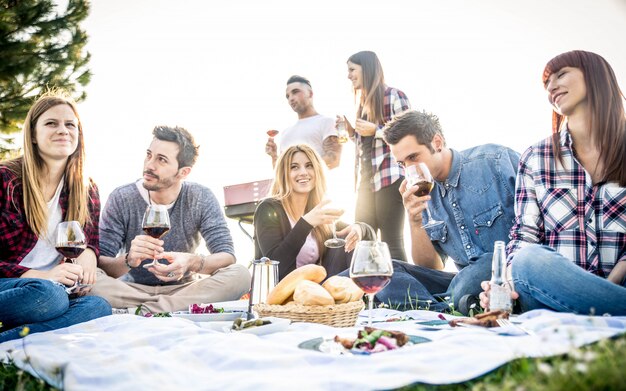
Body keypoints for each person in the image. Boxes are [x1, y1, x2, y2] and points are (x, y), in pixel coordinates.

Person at [480, 50, 626, 315]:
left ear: (595, 76)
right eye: (547, 82)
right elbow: (525, 234)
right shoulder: (536, 157)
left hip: (622, 282)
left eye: (561, 74)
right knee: (528, 260)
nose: (551, 87)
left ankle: (604, 313)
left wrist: (605, 288)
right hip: (554, 294)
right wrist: (504, 283)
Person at [90, 126, 250, 314]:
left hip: (184, 290)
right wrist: (128, 260)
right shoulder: (122, 197)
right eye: (149, 155)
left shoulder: (200, 197)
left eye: (161, 160)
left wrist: (192, 262)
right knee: (90, 279)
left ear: (183, 172)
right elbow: (101, 263)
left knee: (241, 275)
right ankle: (164, 308)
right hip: (131, 290)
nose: (149, 165)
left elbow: (227, 255)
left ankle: (145, 310)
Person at [380, 110, 520, 313]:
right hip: (462, 284)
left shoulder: (496, 162)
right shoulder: (423, 192)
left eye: (413, 157)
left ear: (437, 142)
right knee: (387, 271)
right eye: (402, 164)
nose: (409, 170)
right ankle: (450, 307)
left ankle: (436, 308)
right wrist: (415, 221)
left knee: (489, 262)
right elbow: (432, 268)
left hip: (506, 275)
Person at [0, 92, 111, 342]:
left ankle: (7, 339)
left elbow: (90, 241)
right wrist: (41, 277)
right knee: (49, 296)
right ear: (33, 135)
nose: (63, 130)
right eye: (51, 123)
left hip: (49, 292)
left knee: (98, 307)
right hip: (22, 288)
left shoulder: (86, 189)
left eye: (70, 124)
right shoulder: (5, 179)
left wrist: (88, 256)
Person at [254, 144, 373, 280]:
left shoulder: (318, 213)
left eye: (309, 165)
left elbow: (369, 244)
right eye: (294, 167)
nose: (303, 172)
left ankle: (376, 292)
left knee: (348, 243)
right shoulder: (269, 209)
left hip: (319, 290)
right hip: (285, 294)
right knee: (390, 269)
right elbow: (274, 267)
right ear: (283, 174)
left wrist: (359, 229)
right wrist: (305, 224)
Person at [343, 51, 409, 261]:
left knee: (392, 243)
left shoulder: (394, 96)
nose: (349, 75)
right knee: (363, 245)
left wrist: (376, 130)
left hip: (389, 177)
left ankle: (404, 292)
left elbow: (408, 136)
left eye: (352, 69)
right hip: (365, 183)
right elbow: (369, 147)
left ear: (367, 69)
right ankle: (369, 294)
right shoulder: (362, 104)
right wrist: (353, 134)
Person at [265, 75, 342, 169]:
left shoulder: (327, 122)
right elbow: (280, 173)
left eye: (295, 92)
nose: (291, 98)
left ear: (310, 93)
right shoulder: (286, 133)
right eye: (287, 96)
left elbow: (333, 159)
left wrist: (300, 171)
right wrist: (274, 156)